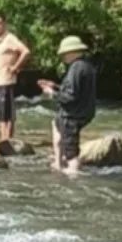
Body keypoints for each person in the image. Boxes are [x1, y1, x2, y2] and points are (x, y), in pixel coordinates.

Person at [38, 36, 97, 175]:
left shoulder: (76, 68)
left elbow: (70, 96)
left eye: (64, 54)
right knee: (56, 125)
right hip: (83, 111)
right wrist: (56, 86)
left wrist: (52, 93)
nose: (63, 57)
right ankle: (58, 163)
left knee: (71, 149)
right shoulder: (87, 66)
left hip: (72, 114)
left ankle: (73, 172)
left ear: (72, 52)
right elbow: (77, 90)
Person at [0, 13, 31, 142]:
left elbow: (26, 51)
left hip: (7, 80)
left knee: (8, 113)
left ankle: (8, 139)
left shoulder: (10, 38)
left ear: (4, 24)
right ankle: (3, 139)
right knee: (0, 114)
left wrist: (15, 67)